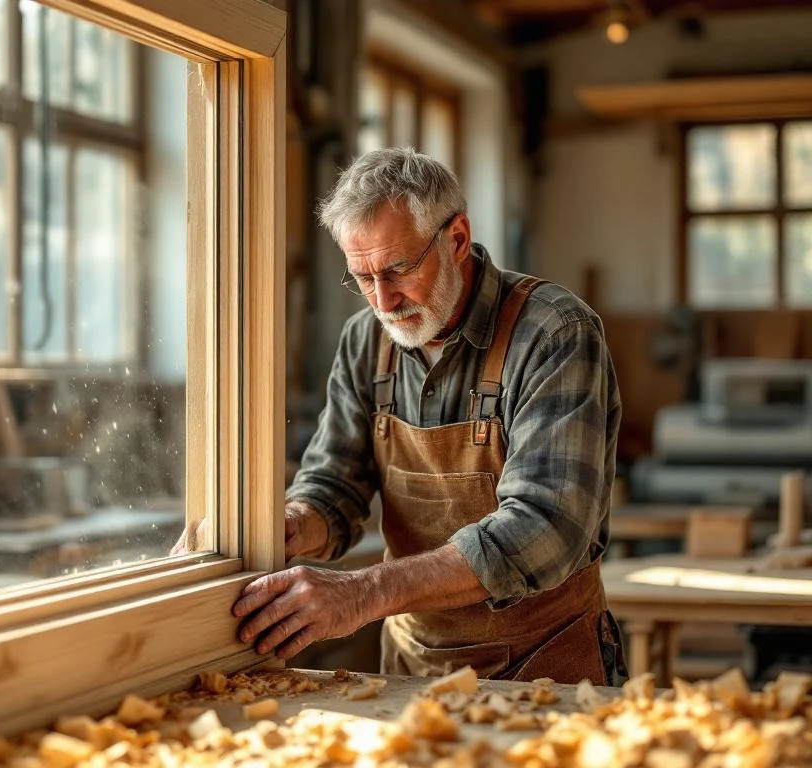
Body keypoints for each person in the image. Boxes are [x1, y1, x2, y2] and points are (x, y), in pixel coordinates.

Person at [231, 147, 627, 685]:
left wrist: (363, 593)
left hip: (546, 665)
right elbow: (334, 486)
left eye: (397, 270)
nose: (383, 302)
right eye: (362, 278)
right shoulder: (365, 341)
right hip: (414, 666)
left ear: (457, 238)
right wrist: (294, 524)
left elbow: (546, 528)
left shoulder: (554, 333)